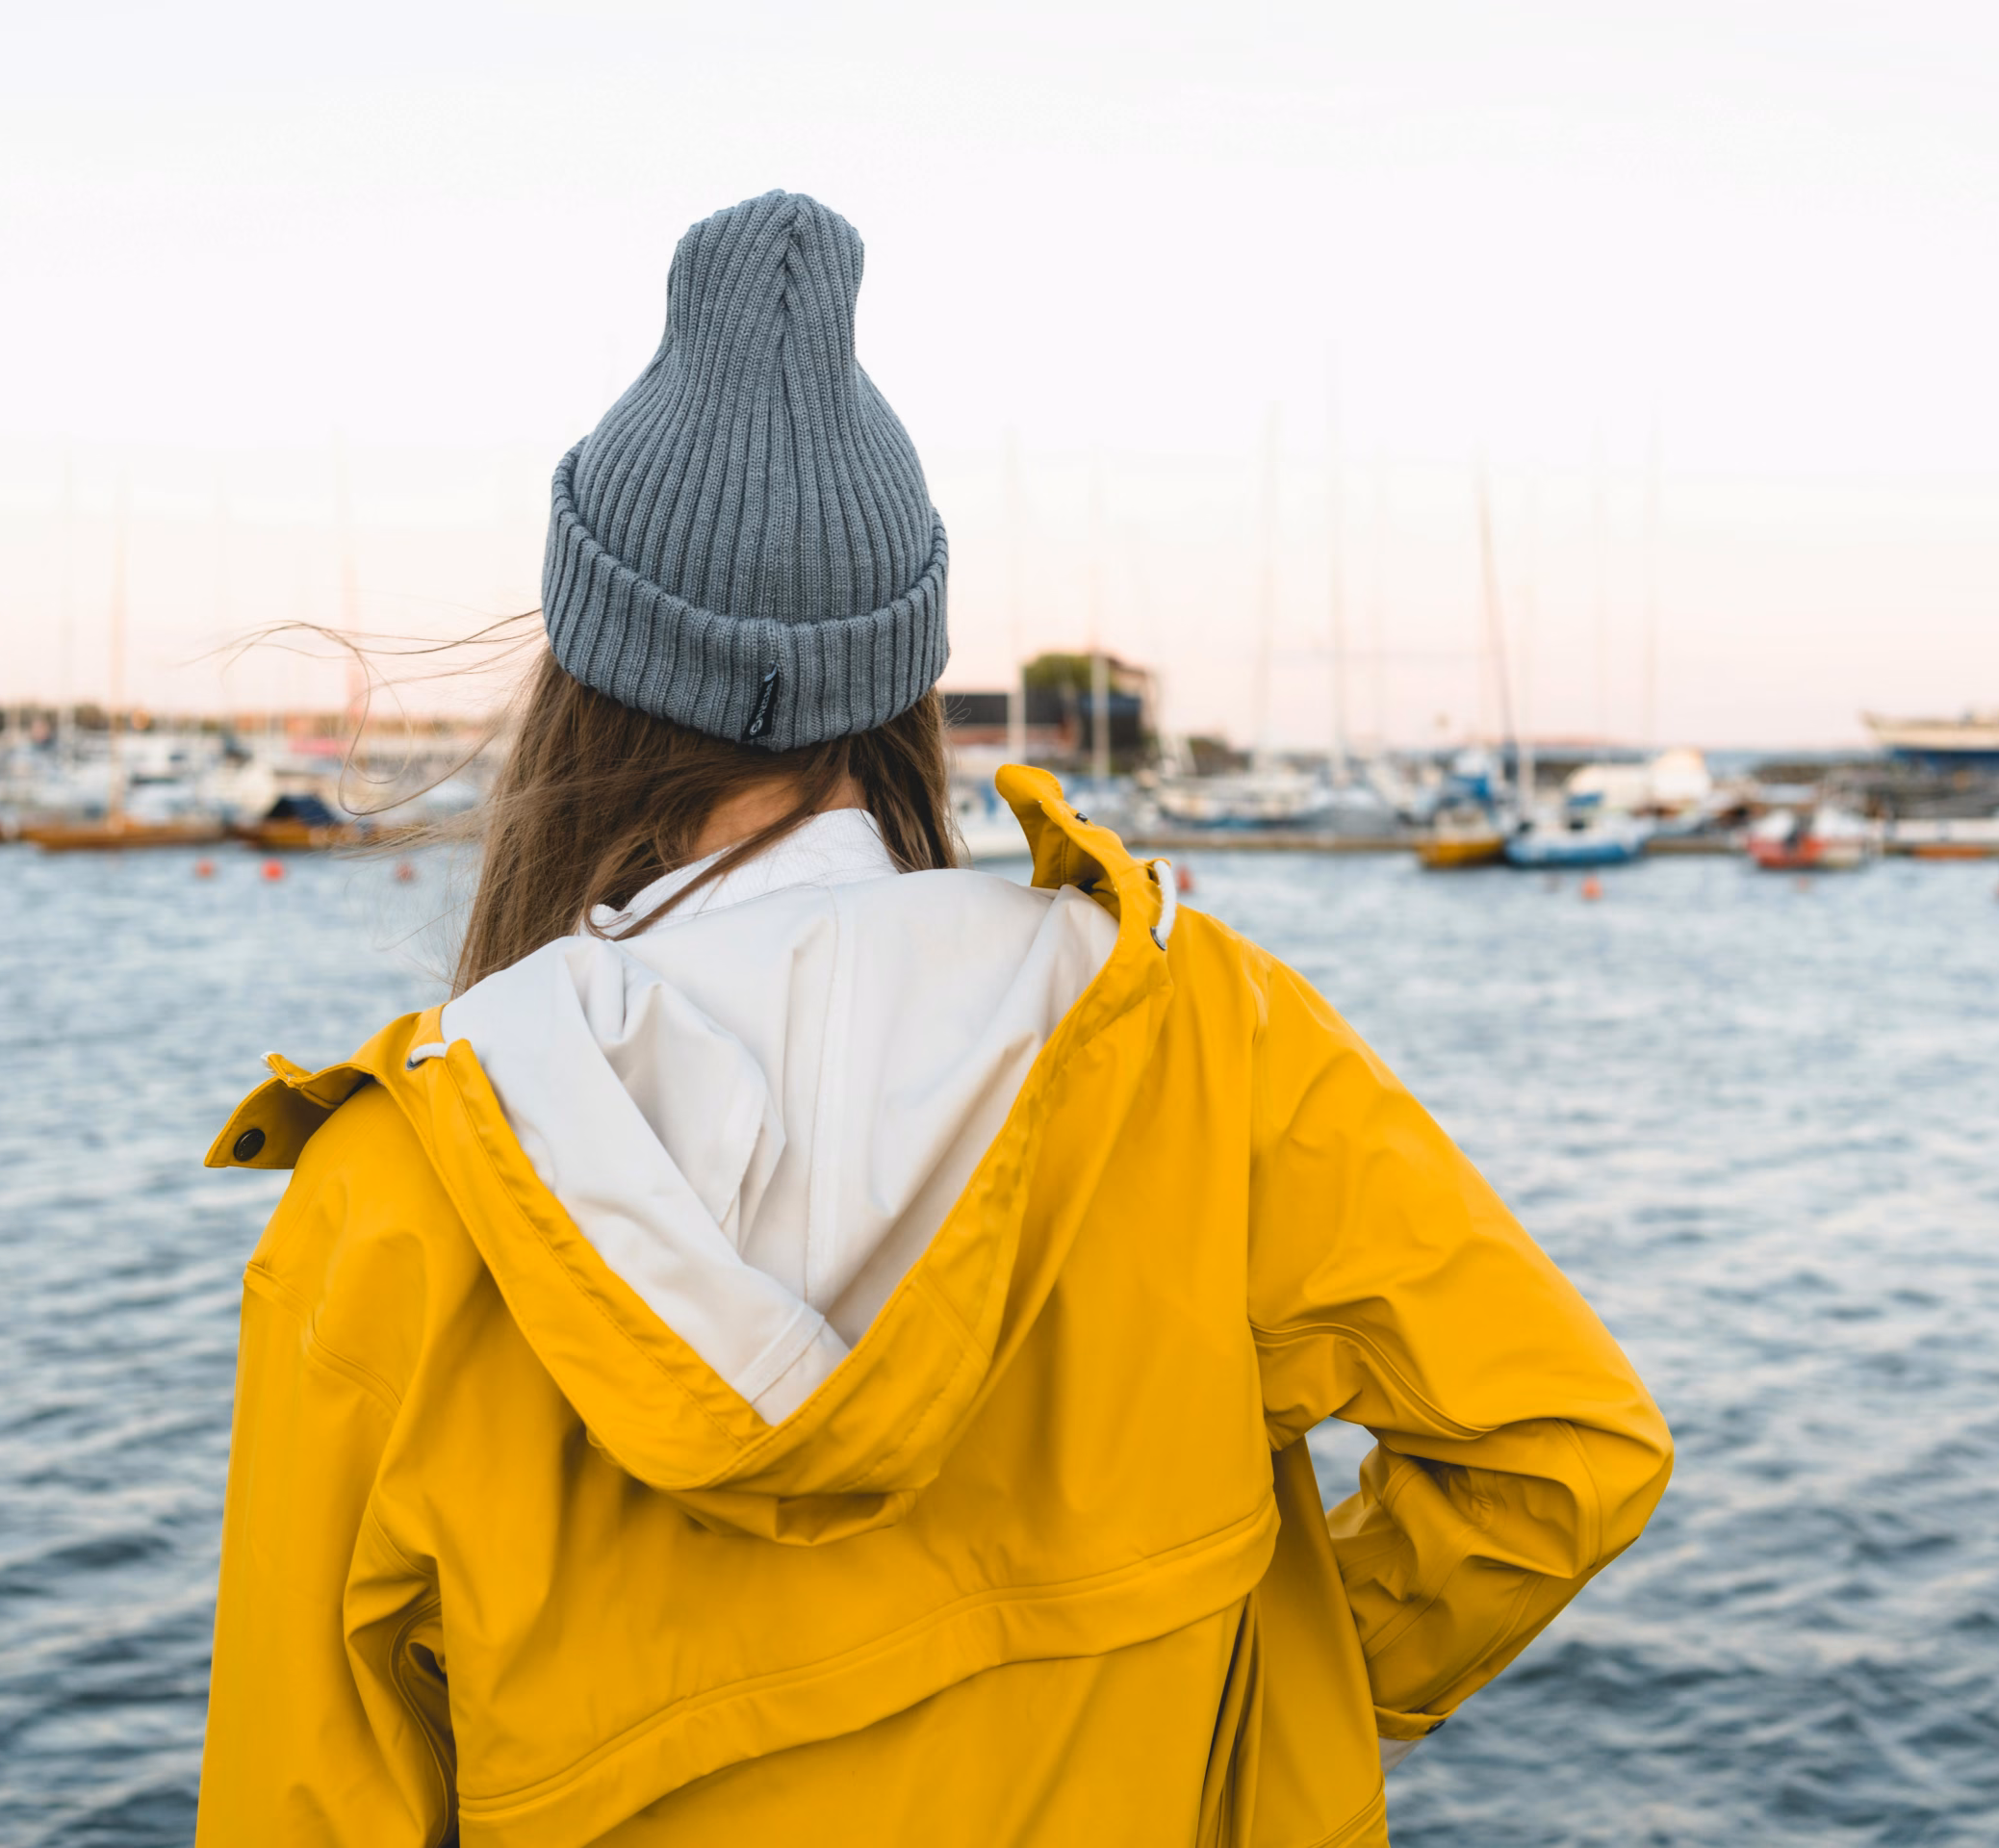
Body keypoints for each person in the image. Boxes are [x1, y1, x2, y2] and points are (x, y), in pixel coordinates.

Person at [194, 189, 1671, 1848]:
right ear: (906, 684)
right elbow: (1559, 1461)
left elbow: (298, 1806)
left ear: (582, 677)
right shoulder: (1195, 1037)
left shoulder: (394, 1203)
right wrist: (1258, 1693)